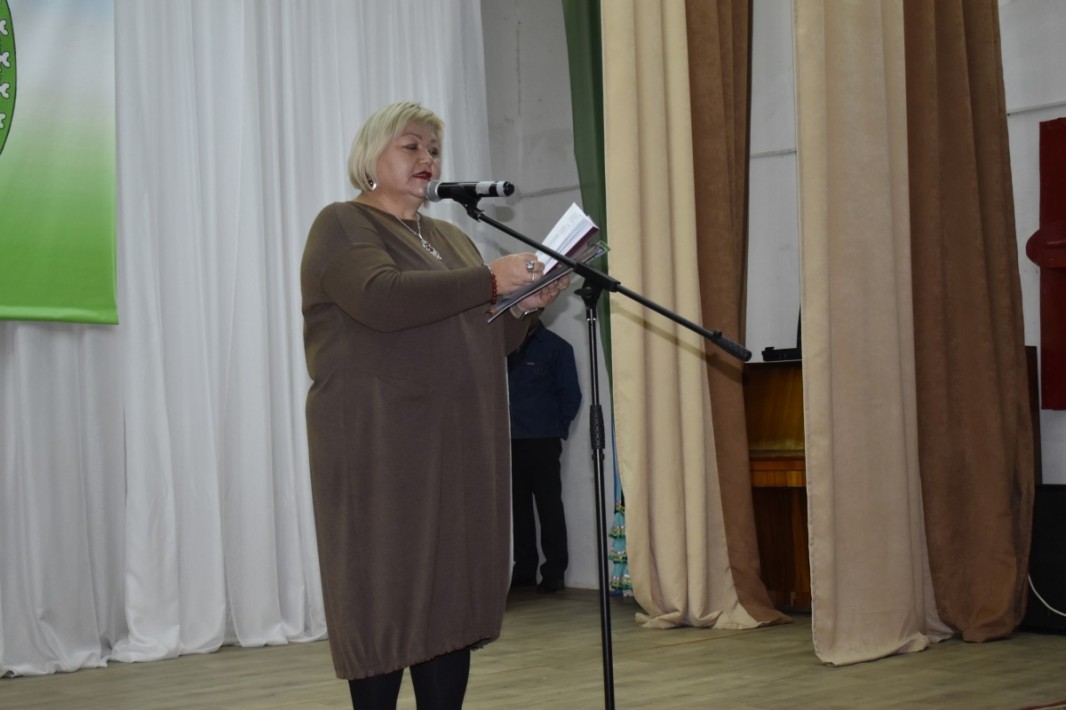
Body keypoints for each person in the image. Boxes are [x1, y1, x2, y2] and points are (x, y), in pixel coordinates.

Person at [300, 101, 568, 710]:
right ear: (371, 156)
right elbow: (382, 298)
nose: (428, 159)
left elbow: (486, 337)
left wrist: (525, 307)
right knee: (386, 590)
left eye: (435, 150)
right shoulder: (343, 223)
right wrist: (491, 280)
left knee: (452, 592)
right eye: (412, 146)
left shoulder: (451, 238)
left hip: (459, 440)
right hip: (381, 444)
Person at [507, 318, 582, 594]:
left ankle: (554, 571)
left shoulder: (556, 348)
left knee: (549, 505)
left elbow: (571, 395)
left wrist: (556, 429)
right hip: (509, 440)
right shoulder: (504, 347)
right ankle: (524, 569)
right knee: (518, 509)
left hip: (542, 440)